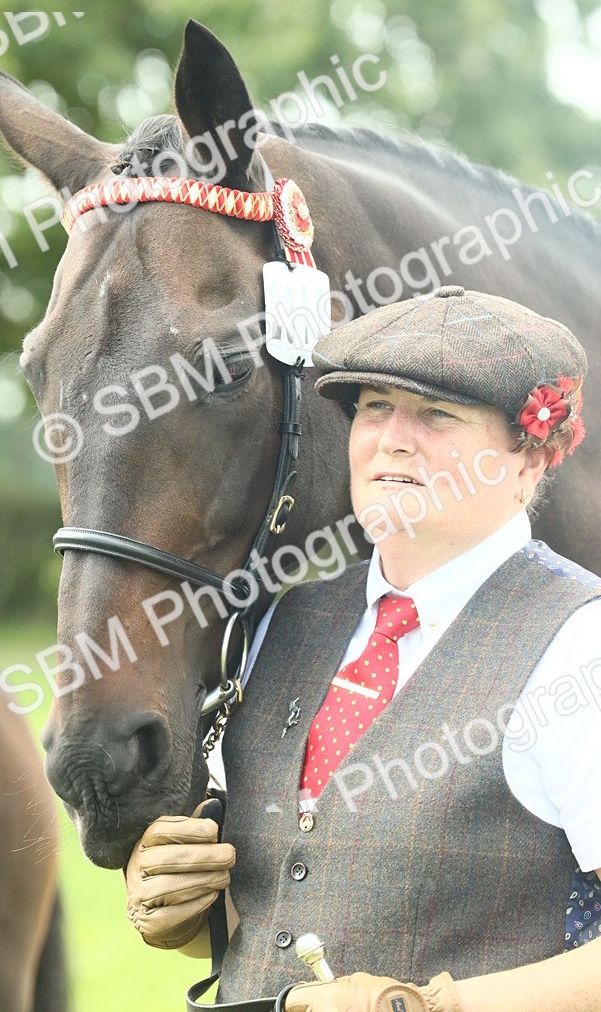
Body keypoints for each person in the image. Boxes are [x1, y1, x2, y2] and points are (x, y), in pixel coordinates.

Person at [124, 285, 601, 1012]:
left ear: (530, 460)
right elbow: (279, 899)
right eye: (375, 407)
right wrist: (178, 905)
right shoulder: (285, 620)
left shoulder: (580, 645)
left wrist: (427, 1008)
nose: (392, 438)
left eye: (438, 414)